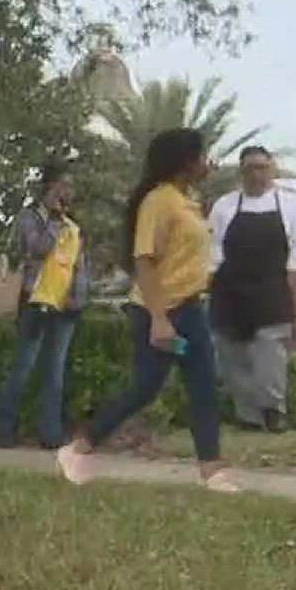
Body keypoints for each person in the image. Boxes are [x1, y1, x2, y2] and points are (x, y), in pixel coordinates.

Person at [58, 128, 239, 493]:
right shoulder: (159, 201)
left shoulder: (188, 200)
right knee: (145, 388)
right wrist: (159, 320)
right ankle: (79, 447)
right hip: (160, 311)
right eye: (201, 156)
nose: (207, 162)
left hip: (191, 309)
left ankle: (212, 470)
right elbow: (144, 262)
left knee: (203, 386)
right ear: (185, 162)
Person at [211, 144, 296, 433]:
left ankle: (273, 411)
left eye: (262, 168)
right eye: (250, 168)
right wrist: (213, 280)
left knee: (270, 349)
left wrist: (291, 283)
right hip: (230, 286)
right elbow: (214, 247)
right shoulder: (225, 206)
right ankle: (248, 415)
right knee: (232, 351)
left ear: (271, 169)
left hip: (273, 286)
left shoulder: (291, 205)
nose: (257, 174)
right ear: (241, 172)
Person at [0, 162, 89, 449]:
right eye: (63, 185)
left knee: (55, 372)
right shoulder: (29, 217)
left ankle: (50, 434)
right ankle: (4, 430)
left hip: (64, 305)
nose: (68, 191)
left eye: (71, 186)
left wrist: (78, 296)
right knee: (24, 367)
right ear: (49, 187)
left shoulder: (72, 221)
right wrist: (55, 221)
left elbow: (78, 262)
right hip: (35, 301)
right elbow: (37, 248)